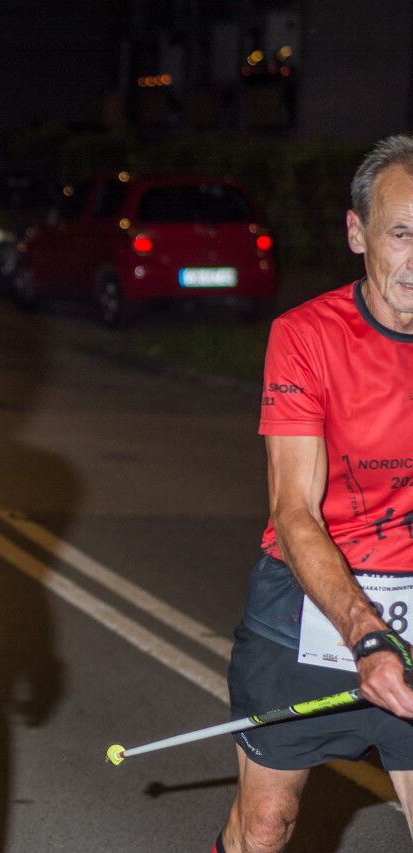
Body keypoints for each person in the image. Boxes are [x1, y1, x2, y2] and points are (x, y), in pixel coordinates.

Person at [213, 135, 413, 853]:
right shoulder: (305, 336)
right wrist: (367, 632)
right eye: (402, 233)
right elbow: (294, 511)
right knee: (267, 826)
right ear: (358, 234)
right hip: (306, 605)